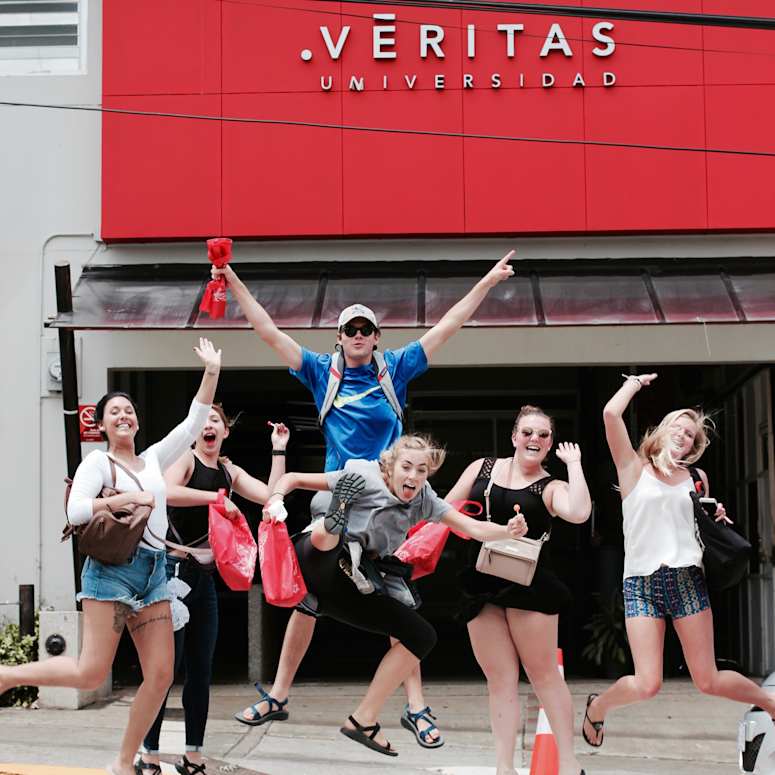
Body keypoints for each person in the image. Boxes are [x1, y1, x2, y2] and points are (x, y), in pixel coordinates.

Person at [218, 251, 515, 745]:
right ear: (339, 337)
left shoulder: (392, 369)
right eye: (350, 330)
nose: (358, 336)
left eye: (366, 330)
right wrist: (232, 278)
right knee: (312, 597)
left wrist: (486, 282)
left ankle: (414, 706)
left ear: (377, 337)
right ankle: (280, 694)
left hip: (391, 502)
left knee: (396, 600)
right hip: (338, 493)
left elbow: (447, 326)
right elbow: (268, 331)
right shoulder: (321, 371)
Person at [0, 338, 222, 775]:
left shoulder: (155, 459)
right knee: (90, 673)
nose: (124, 415)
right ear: (102, 425)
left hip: (155, 573)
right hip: (112, 574)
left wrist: (211, 371)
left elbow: (194, 424)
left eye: (129, 411)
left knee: (160, 675)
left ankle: (124, 762)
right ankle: (9, 677)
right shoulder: (97, 464)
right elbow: (76, 510)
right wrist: (119, 501)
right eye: (114, 412)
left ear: (137, 423)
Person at [262, 434, 528, 757]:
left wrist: (506, 531)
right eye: (407, 467)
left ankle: (363, 720)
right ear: (390, 467)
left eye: (422, 470)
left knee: (422, 636)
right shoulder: (364, 475)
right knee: (326, 536)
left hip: (348, 585)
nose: (414, 477)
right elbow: (293, 479)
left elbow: (469, 528)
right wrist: (275, 499)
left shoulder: (424, 498)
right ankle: (333, 522)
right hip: (316, 559)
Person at [582, 373, 775, 750]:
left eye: (690, 435)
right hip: (642, 583)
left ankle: (771, 704)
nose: (684, 436)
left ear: (694, 446)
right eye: (678, 427)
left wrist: (715, 516)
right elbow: (610, 414)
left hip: (688, 579)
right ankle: (597, 707)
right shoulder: (633, 468)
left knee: (708, 679)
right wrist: (634, 384)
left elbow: (697, 527)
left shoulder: (696, 478)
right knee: (647, 683)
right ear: (662, 429)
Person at [137, 411, 290, 775]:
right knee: (164, 671)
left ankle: (193, 756)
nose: (208, 426)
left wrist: (279, 451)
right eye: (202, 421)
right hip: (172, 573)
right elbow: (168, 492)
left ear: (225, 430)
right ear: (194, 432)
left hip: (204, 578)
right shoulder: (185, 460)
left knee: (201, 671)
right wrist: (217, 499)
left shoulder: (228, 471)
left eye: (215, 421)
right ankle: (149, 754)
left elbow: (271, 496)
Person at [445, 405, 591, 775]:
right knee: (500, 679)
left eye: (543, 435)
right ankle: (504, 767)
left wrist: (574, 465)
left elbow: (578, 513)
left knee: (543, 675)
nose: (534, 439)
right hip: (481, 578)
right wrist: (481, 530)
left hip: (530, 585)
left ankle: (570, 763)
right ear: (513, 437)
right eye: (527, 432)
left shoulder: (552, 486)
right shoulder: (482, 468)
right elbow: (445, 509)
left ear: (551, 444)